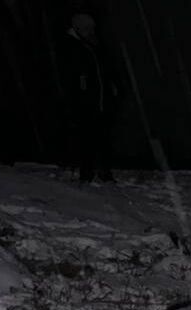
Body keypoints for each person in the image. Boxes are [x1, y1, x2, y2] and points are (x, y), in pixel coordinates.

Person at [61, 13, 117, 183]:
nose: (90, 32)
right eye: (87, 29)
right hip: (86, 101)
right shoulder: (73, 47)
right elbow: (74, 76)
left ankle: (102, 171)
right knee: (88, 138)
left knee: (101, 137)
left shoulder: (92, 46)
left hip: (98, 99)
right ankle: (87, 173)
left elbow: (101, 71)